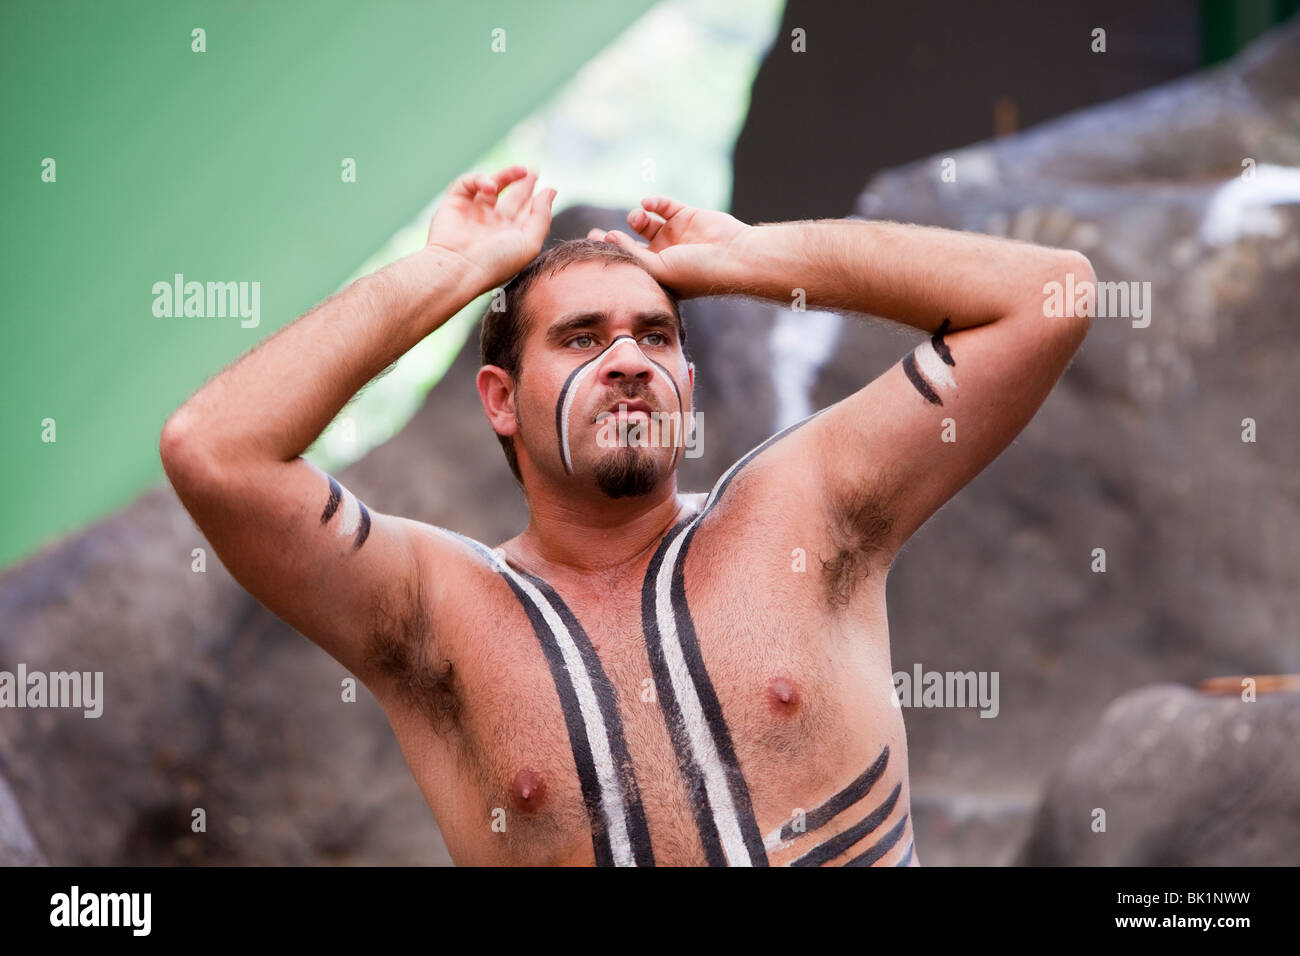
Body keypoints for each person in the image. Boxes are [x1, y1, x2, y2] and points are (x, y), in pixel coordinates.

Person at [160, 164, 1094, 866]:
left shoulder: (808, 507)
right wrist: (453, 270)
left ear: (686, 381)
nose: (628, 359)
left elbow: (1049, 295)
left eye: (655, 336)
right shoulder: (432, 613)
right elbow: (214, 449)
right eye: (580, 338)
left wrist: (748, 258)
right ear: (497, 397)